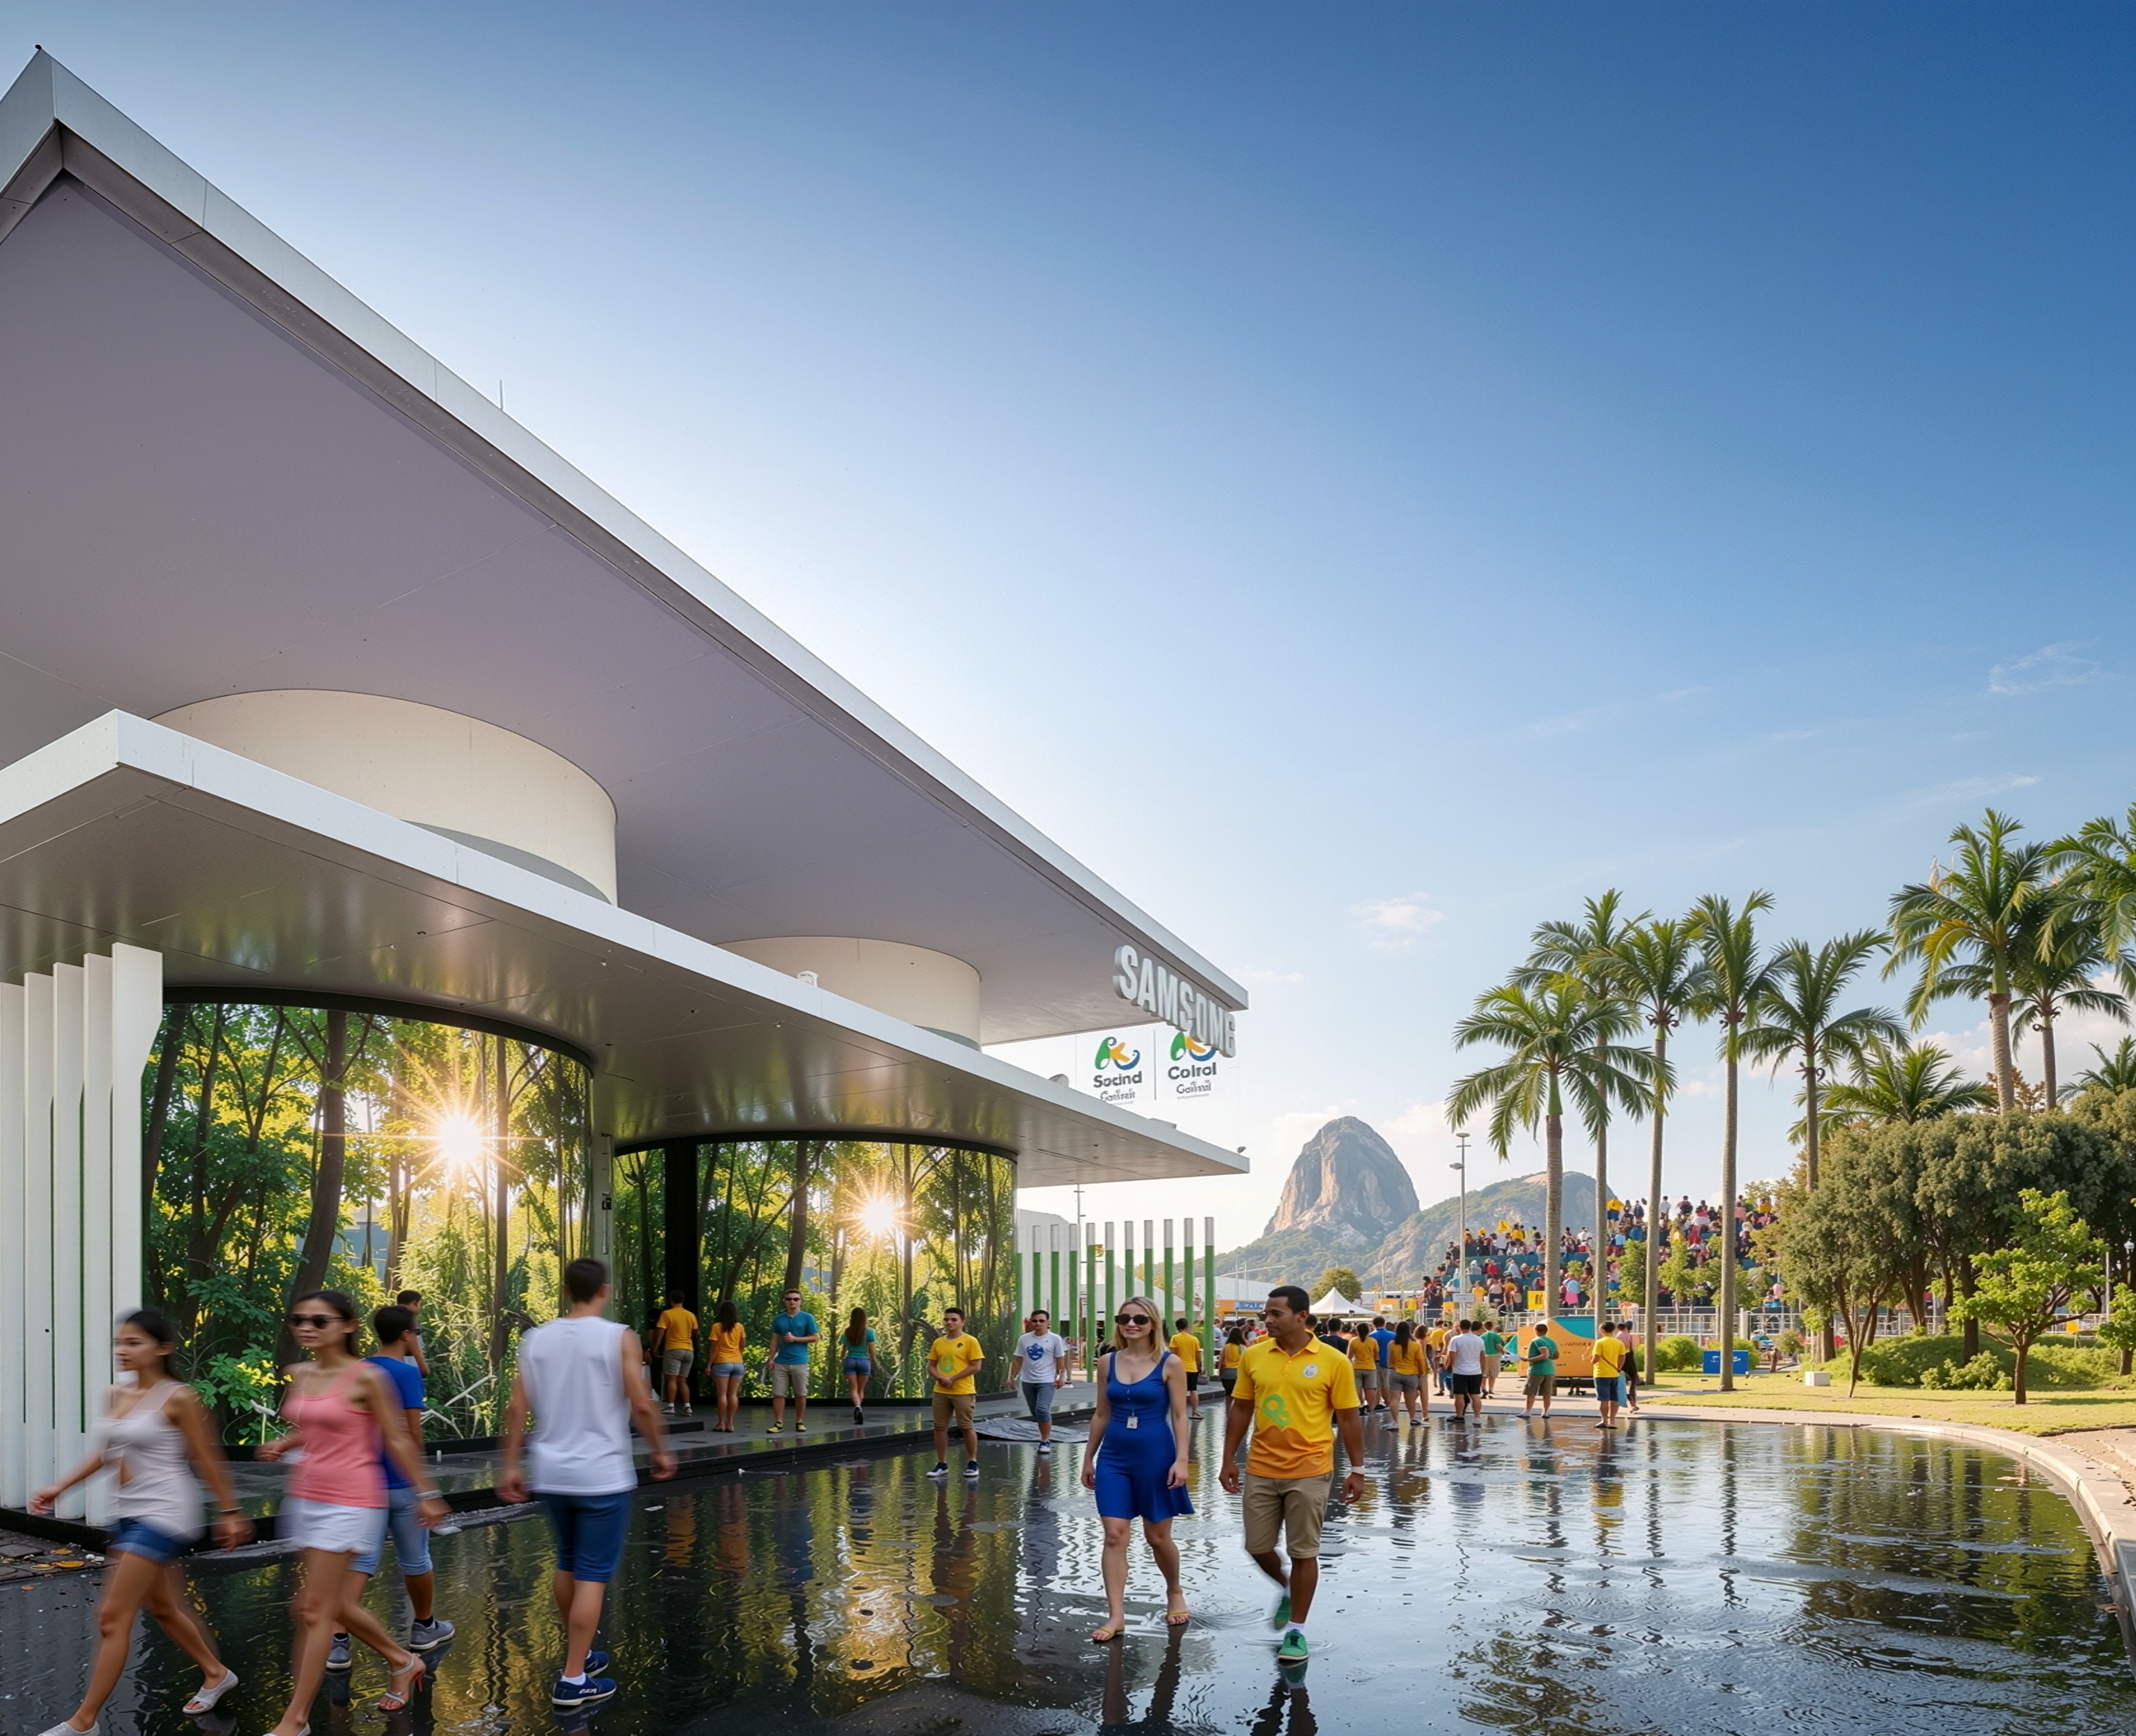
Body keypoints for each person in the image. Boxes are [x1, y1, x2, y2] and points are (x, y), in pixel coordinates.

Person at [30, 1310, 251, 1736]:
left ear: (163, 1348)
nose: (123, 1350)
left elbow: (207, 1457)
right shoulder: (116, 1394)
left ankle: (84, 1724)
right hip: (128, 1511)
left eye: (134, 1342)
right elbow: (104, 1454)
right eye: (120, 1342)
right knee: (165, 1607)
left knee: (112, 1616)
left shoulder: (179, 1397)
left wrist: (229, 1511)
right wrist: (59, 1487)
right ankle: (216, 1672)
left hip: (166, 1513)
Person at [257, 1290, 445, 1734]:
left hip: (352, 1498)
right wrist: (286, 1442)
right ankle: (403, 1660)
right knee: (331, 1604)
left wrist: (426, 1491)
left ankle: (295, 1720)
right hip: (305, 1497)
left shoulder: (367, 1378)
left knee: (315, 1610)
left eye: (319, 1321)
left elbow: (397, 1437)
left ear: (348, 1326)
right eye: (299, 1319)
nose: (306, 1327)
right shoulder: (300, 1373)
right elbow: (321, 1426)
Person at [500, 1257, 675, 1710]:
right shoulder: (619, 1336)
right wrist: (659, 1449)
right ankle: (574, 1679)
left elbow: (516, 1409)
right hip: (601, 1475)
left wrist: (509, 1465)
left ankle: (579, 1655)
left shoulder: (535, 1339)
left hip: (551, 1473)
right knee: (592, 1576)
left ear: (565, 1289)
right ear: (604, 1291)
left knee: (568, 1563)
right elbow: (641, 1403)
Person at [1220, 1284, 1366, 1665]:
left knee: (1304, 1552)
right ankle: (1287, 1588)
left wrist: (1357, 1469)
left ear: (1301, 1317)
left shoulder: (1334, 1361)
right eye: (1265, 1314)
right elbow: (1241, 1409)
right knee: (1257, 1546)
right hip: (1261, 1466)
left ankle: (1296, 1632)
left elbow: (1348, 1417)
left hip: (1311, 1468)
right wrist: (1227, 1459)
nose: (1266, 1320)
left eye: (1275, 1314)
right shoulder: (1254, 1356)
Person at [325, 1306, 453, 1673]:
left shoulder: (357, 1369)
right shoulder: (405, 1374)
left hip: (362, 1481)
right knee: (415, 1559)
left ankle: (338, 1642)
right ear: (407, 1335)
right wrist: (424, 1485)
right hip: (400, 1482)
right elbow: (413, 1433)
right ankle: (425, 1627)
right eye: (417, 1332)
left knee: (360, 1561)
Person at [1083, 1295, 1193, 1641]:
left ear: (1154, 1324)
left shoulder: (1170, 1363)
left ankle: (1174, 1590)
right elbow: (1101, 1413)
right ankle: (1116, 1615)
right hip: (1114, 1456)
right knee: (1114, 1535)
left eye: (1140, 1319)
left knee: (1157, 1537)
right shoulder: (1106, 1362)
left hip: (1156, 1456)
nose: (1131, 1324)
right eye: (1124, 1318)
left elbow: (1179, 1414)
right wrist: (1088, 1457)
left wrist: (1181, 1459)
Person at [925, 1306, 986, 1479]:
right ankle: (941, 1463)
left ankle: (972, 1462)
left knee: (966, 1426)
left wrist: (952, 1378)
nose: (949, 1322)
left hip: (963, 1390)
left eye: (953, 1319)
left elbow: (976, 1366)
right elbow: (931, 1365)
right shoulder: (939, 1342)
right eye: (946, 1319)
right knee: (939, 1427)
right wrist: (940, 1377)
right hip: (941, 1390)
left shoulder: (970, 1341)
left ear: (962, 1322)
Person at [1016, 1309, 1070, 1451]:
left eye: (1041, 1321)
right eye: (1035, 1321)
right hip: (1028, 1380)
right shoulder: (1024, 1339)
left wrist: (1061, 1377)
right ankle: (1042, 1433)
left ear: (1048, 1322)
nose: (1038, 1323)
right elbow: (1018, 1360)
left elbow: (1060, 1359)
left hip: (1047, 1380)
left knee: (1042, 1409)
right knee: (1035, 1412)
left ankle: (1045, 1440)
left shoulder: (1055, 1339)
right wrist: (1011, 1377)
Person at [768, 1288, 818, 1434]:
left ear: (800, 1301)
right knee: (778, 1394)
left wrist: (796, 1339)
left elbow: (815, 1337)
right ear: (785, 1301)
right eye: (789, 1299)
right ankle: (778, 1423)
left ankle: (799, 1421)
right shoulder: (779, 1319)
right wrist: (771, 1358)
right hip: (781, 1361)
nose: (792, 1302)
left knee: (801, 1393)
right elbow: (775, 1340)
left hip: (800, 1361)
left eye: (796, 1299)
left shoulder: (808, 1318)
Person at [654, 1294, 698, 1416]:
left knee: (672, 1380)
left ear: (671, 1299)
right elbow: (695, 1333)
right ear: (683, 1300)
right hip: (689, 1350)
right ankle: (687, 1407)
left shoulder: (667, 1314)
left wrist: (655, 1348)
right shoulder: (691, 1315)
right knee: (683, 1381)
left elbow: (661, 1332)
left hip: (673, 1349)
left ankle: (671, 1406)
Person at [707, 1299, 746, 1434]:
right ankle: (730, 1424)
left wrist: (709, 1365)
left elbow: (714, 1348)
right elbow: (742, 1346)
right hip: (738, 1363)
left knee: (722, 1395)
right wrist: (738, 1357)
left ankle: (720, 1423)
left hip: (722, 1362)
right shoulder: (740, 1327)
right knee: (733, 1395)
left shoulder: (716, 1327)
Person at [1387, 1320, 1429, 1423]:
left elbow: (1390, 1361)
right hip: (1411, 1374)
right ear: (1409, 1330)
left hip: (1395, 1373)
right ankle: (1412, 1418)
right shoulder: (1415, 1345)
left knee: (1394, 1399)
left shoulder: (1392, 1344)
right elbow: (1420, 1361)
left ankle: (1395, 1422)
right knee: (1410, 1399)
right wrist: (1421, 1373)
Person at [1445, 1319, 1486, 1422]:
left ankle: (1459, 1416)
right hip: (1476, 1371)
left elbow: (1452, 1356)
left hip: (1459, 1371)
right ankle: (1477, 1417)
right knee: (1475, 1395)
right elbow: (1482, 1356)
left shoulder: (1456, 1339)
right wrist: (1482, 1369)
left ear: (1459, 1327)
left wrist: (1450, 1366)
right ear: (1470, 1327)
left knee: (1459, 1395)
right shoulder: (1479, 1340)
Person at [843, 1307, 877, 1425]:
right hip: (864, 1361)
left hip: (850, 1360)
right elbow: (871, 1349)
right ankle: (859, 1410)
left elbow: (843, 1350)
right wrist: (873, 1361)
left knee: (853, 1389)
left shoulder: (847, 1332)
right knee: (860, 1389)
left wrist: (842, 1360)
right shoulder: (870, 1332)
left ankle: (857, 1407)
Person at [1592, 1320, 1627, 1430]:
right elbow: (1622, 1356)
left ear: (1602, 1330)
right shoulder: (1618, 1343)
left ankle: (1604, 1420)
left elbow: (1595, 1359)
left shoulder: (1600, 1342)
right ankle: (1612, 1422)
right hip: (1614, 1373)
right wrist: (1619, 1367)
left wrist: (1590, 1360)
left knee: (1604, 1399)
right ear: (1613, 1330)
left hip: (1601, 1373)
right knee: (1614, 1398)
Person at [1168, 1318, 1205, 1420]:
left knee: (1180, 1391)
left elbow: (1172, 1354)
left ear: (1177, 1327)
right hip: (1192, 1368)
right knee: (1193, 1390)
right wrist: (1200, 1367)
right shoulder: (1194, 1339)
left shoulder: (1175, 1338)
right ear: (1187, 1326)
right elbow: (1198, 1355)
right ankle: (1194, 1412)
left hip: (1179, 1369)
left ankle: (1180, 1413)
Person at [1522, 1320, 1559, 1419]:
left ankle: (1527, 1411)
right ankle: (1546, 1412)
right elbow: (1555, 1355)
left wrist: (1528, 1359)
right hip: (1550, 1369)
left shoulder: (1537, 1340)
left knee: (1531, 1392)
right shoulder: (1551, 1341)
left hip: (1537, 1370)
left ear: (1535, 1330)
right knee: (1547, 1393)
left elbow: (1545, 1354)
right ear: (1546, 1331)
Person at [395, 1290, 430, 1379]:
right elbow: (415, 1349)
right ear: (414, 1303)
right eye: (419, 1304)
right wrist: (423, 1368)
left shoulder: (390, 1317)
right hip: (409, 1367)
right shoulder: (408, 1321)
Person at [1346, 1322, 1378, 1418]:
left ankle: (1359, 1405)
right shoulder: (1373, 1341)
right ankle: (1371, 1407)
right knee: (1370, 1388)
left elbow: (1349, 1356)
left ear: (1357, 1331)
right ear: (1369, 1331)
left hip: (1357, 1367)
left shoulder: (1353, 1341)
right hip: (1370, 1367)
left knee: (1357, 1387)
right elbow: (1377, 1356)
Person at [1368, 1317, 1397, 1412]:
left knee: (1376, 1384)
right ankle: (1388, 1402)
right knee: (1387, 1384)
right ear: (1384, 1323)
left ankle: (1376, 1402)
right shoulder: (1393, 1335)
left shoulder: (1370, 1336)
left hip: (1374, 1363)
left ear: (1373, 1324)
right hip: (1389, 1363)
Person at [1617, 1321, 1642, 1414]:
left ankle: (1626, 1403)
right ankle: (1633, 1404)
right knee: (1633, 1383)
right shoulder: (1630, 1336)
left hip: (1619, 1359)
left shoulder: (1617, 1337)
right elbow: (1634, 1347)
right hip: (1629, 1359)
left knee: (1618, 1383)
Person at [1218, 1325, 1245, 1401]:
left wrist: (1220, 1374)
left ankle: (1228, 1412)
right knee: (1238, 1396)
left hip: (1227, 1373)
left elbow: (1221, 1362)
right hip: (1239, 1374)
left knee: (1228, 1395)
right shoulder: (1243, 1347)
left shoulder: (1226, 1347)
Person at [1480, 1320, 1506, 1398]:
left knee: (1484, 1374)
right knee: (1493, 1374)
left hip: (1484, 1356)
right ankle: (1491, 1389)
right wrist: (1503, 1352)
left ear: (1484, 1327)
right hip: (1494, 1356)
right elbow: (1498, 1345)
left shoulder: (1482, 1336)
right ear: (1493, 1326)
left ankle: (1484, 1389)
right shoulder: (1496, 1335)